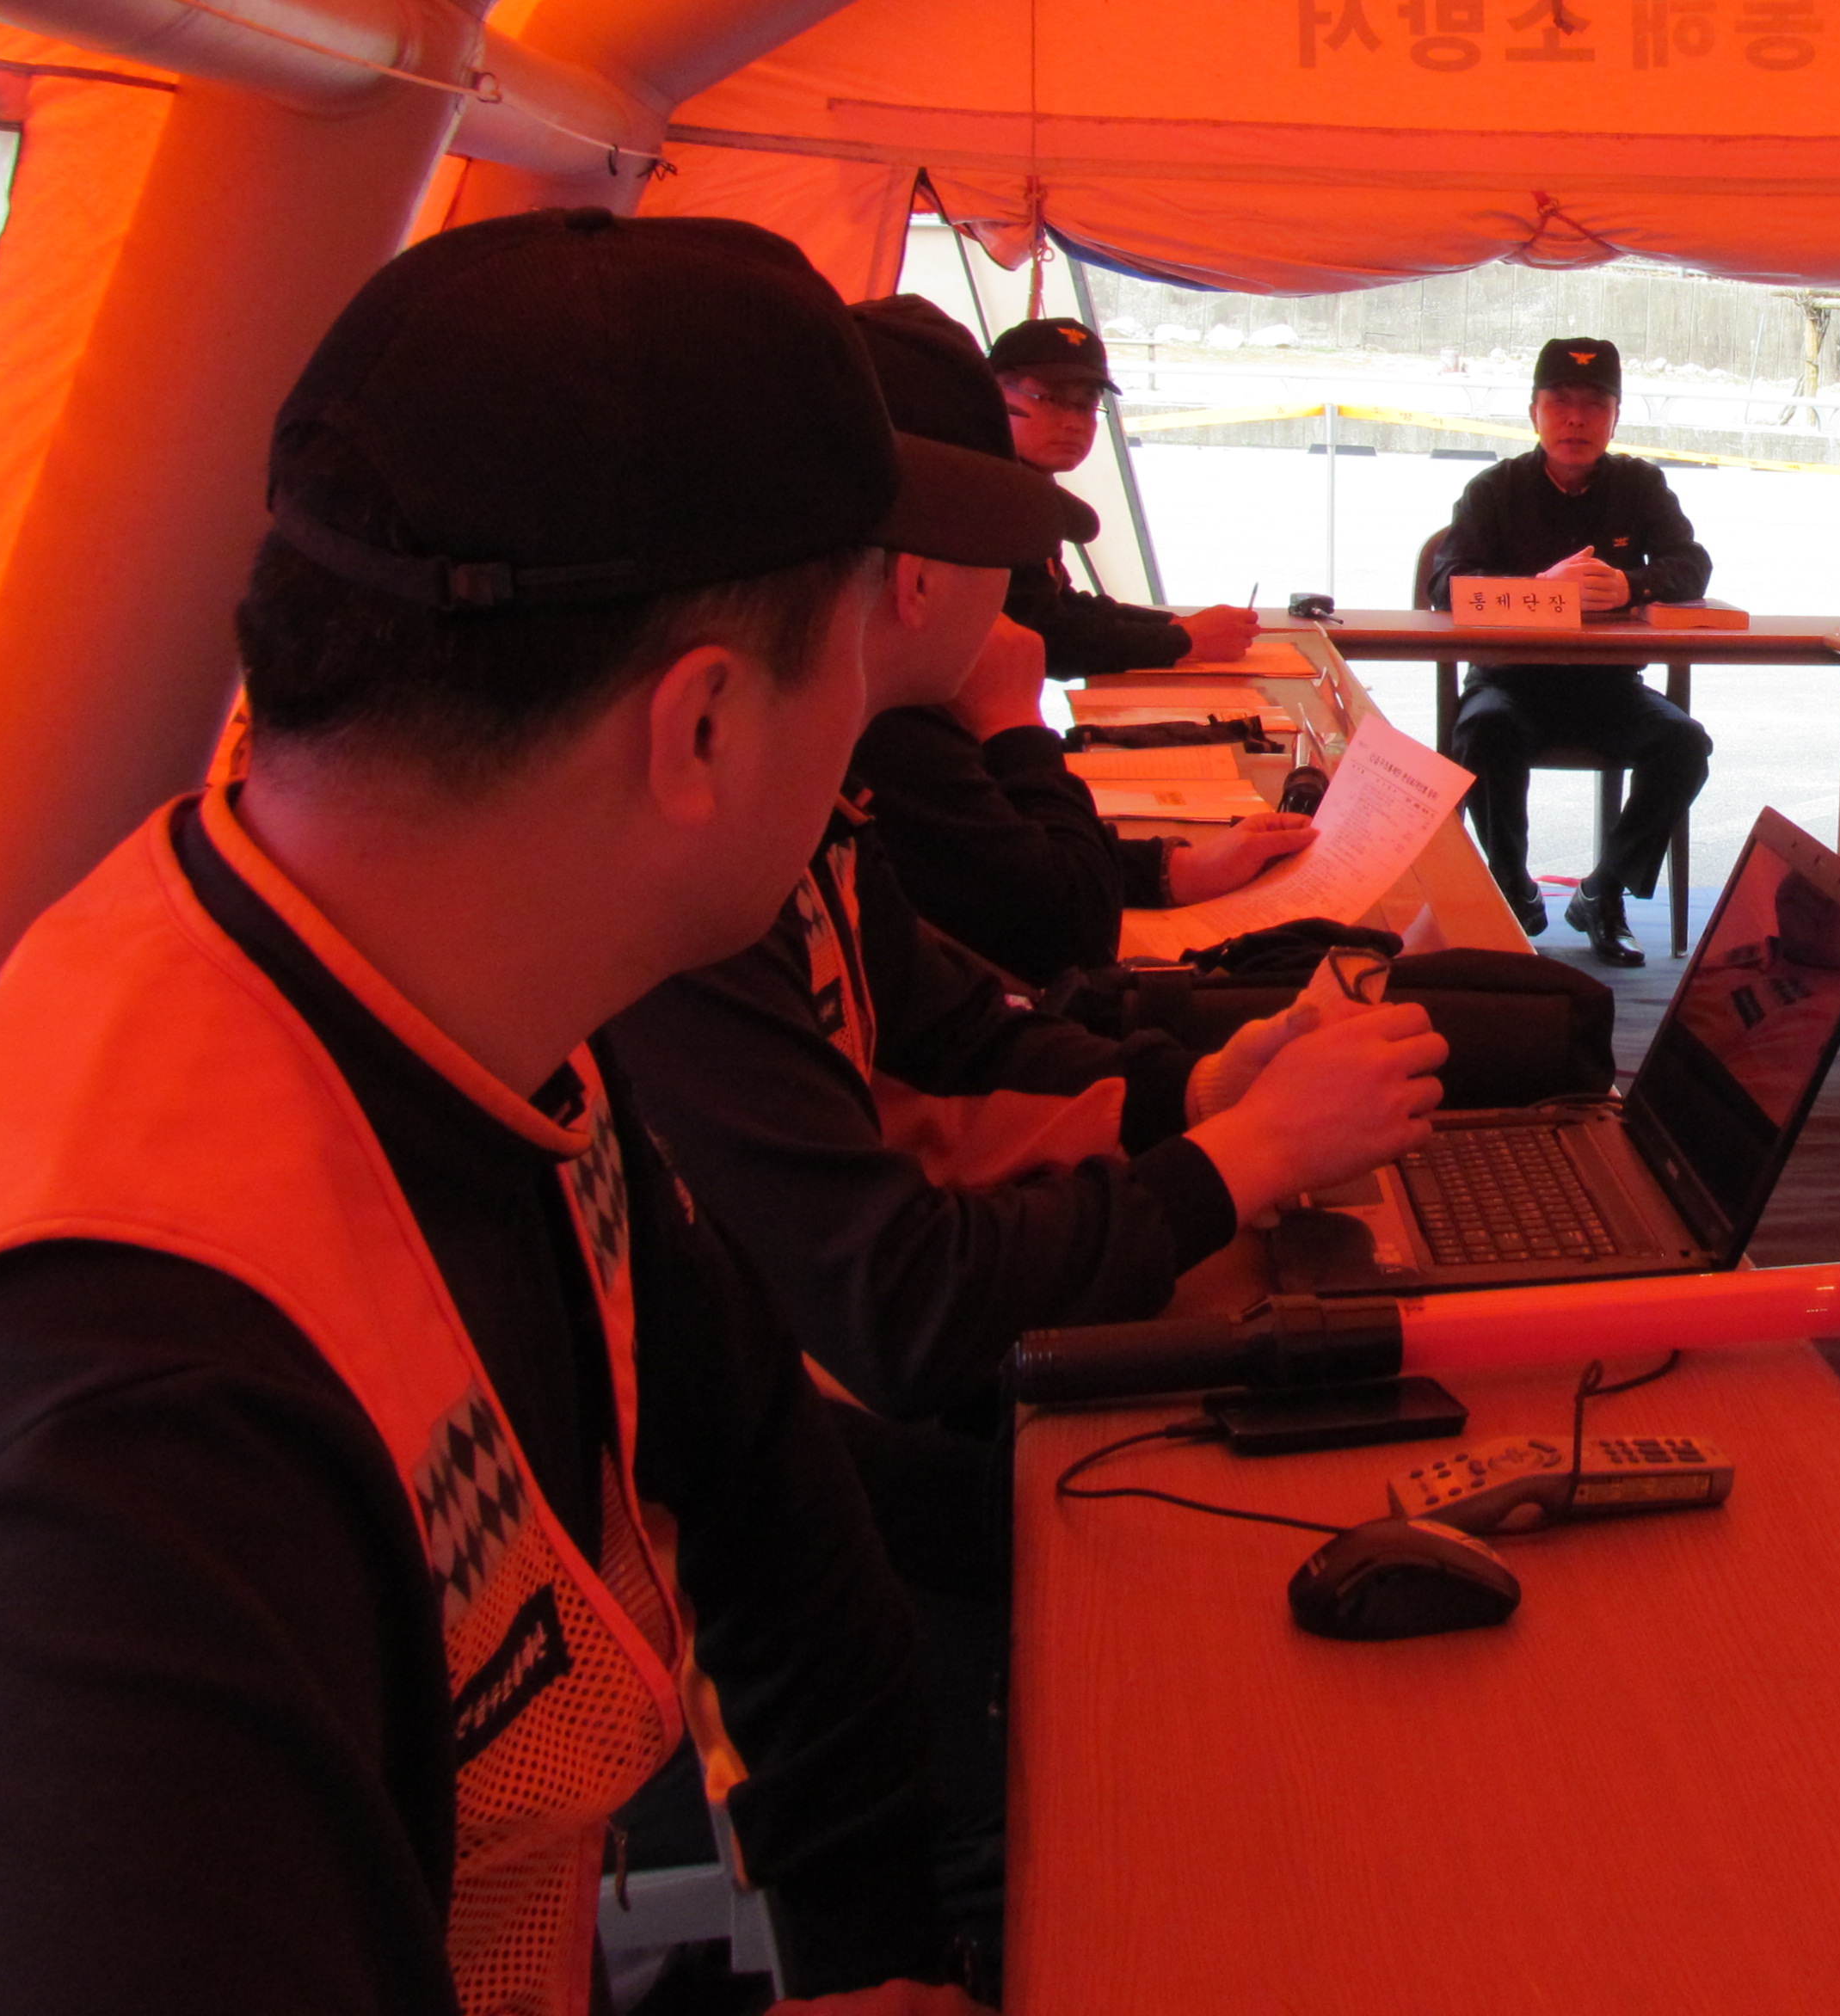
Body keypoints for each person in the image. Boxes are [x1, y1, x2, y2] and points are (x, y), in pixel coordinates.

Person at [0, 210, 978, 2014]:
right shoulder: (122, 1457)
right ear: (702, 731)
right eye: (853, 640)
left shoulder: (437, 989)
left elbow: (763, 1475)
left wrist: (874, 1962)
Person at [600, 426, 1452, 1428]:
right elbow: (899, 1304)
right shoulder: (689, 903)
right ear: (915, 581)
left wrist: (1207, 1092)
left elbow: (961, 1027)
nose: (1021, 603)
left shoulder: (806, 809)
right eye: (999, 564)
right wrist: (1248, 1153)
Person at [851, 298, 1309, 982]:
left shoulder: (876, 708)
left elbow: (992, 852)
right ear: (917, 575)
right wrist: (1016, 725)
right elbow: (1067, 929)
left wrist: (1175, 866)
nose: (1070, 419)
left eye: (1084, 404)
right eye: (994, 552)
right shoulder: (888, 730)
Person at [1425, 336, 1714, 967]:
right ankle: (1511, 889)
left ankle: (1603, 893)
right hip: (1511, 683)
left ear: (1616, 417)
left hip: (1608, 688)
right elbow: (1445, 583)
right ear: (1534, 412)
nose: (1576, 420)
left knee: (1685, 745)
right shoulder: (1494, 489)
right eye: (1560, 402)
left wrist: (1632, 584)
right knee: (1484, 732)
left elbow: (1693, 564)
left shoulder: (1639, 485)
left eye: (1595, 405)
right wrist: (1538, 590)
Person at [985, 314, 1257, 679]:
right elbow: (1042, 639)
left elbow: (1062, 606)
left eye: (1085, 405)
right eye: (1051, 398)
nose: (1073, 422)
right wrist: (1184, 640)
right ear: (992, 394)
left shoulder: (1030, 493)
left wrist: (1177, 625)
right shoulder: (985, 499)